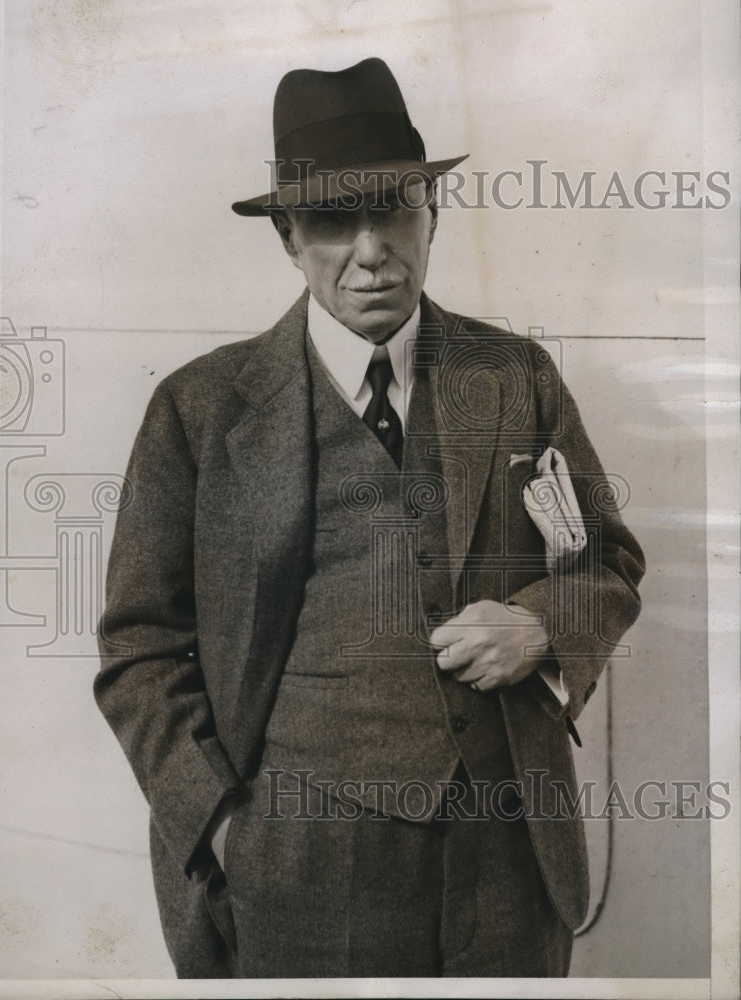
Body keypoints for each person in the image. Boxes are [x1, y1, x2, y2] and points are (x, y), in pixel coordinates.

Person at [95, 57, 645, 979]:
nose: (370, 250)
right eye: (329, 219)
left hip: (510, 861)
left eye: (392, 208)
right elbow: (139, 646)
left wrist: (543, 626)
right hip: (297, 875)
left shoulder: (516, 376)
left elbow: (610, 563)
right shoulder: (199, 409)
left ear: (432, 213)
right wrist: (224, 828)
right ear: (287, 235)